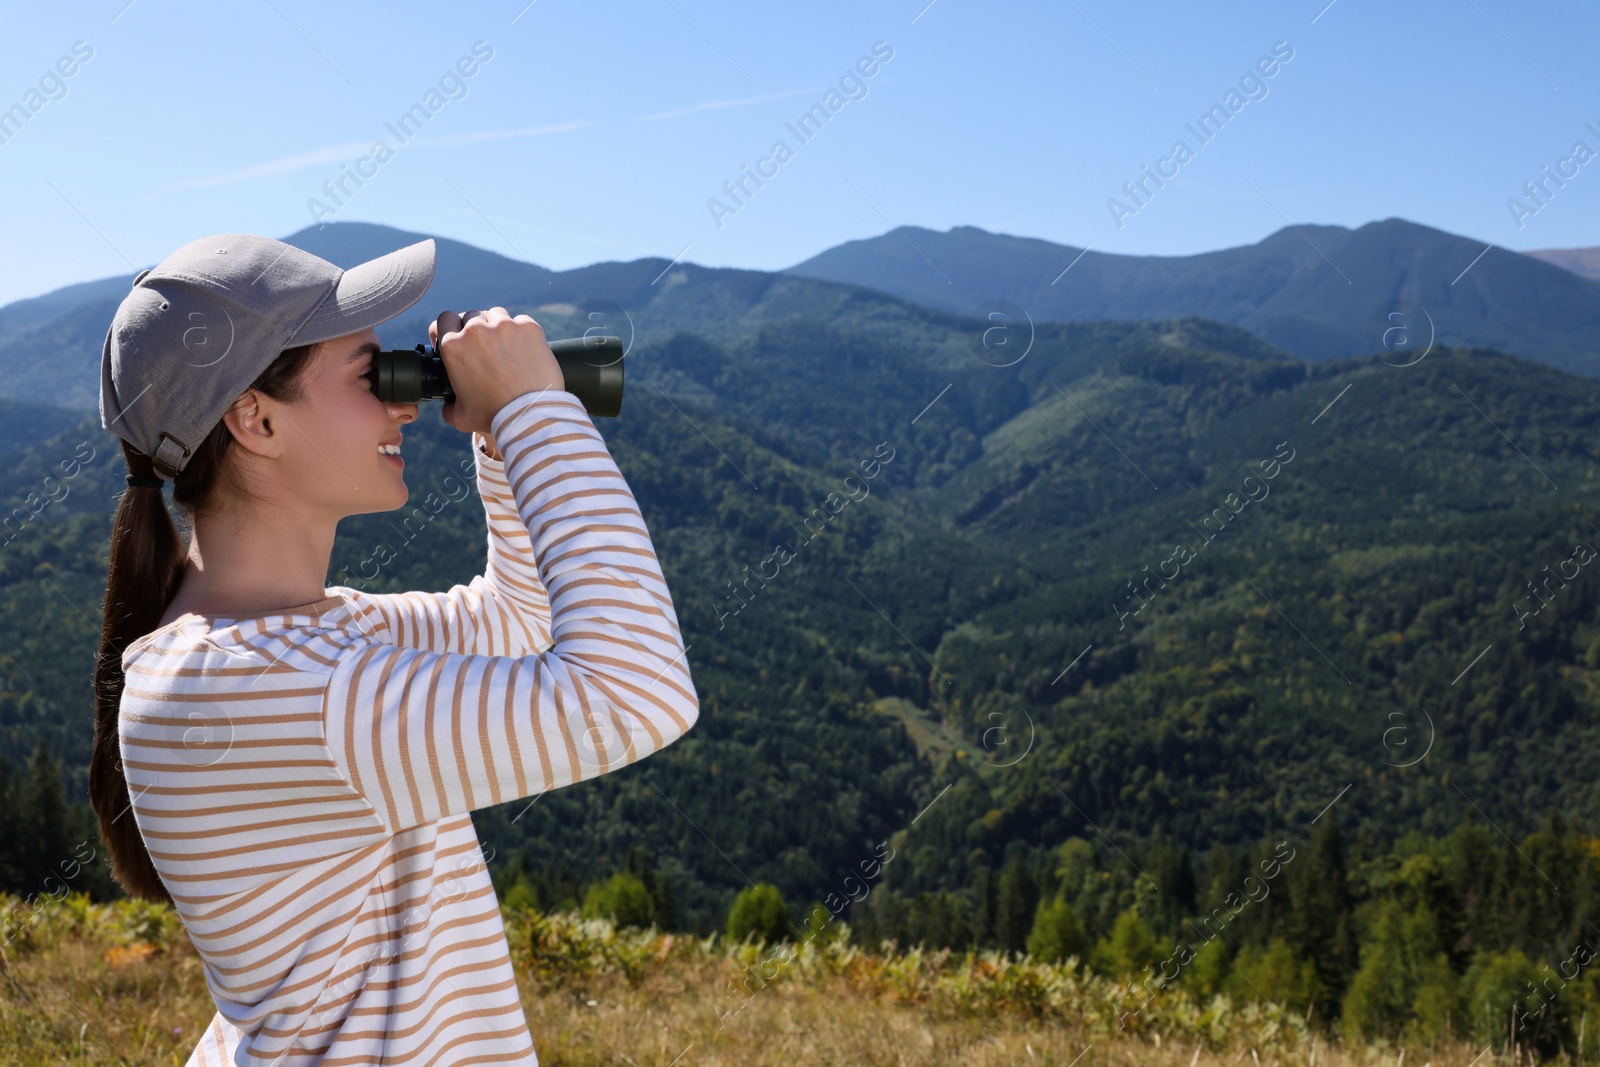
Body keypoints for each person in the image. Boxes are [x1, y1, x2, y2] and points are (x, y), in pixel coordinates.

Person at [91, 233, 699, 1065]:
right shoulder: (258, 685)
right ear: (255, 418)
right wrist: (536, 412)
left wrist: (495, 437)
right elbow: (637, 692)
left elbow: (521, 622)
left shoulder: (305, 642)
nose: (404, 403)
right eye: (368, 374)